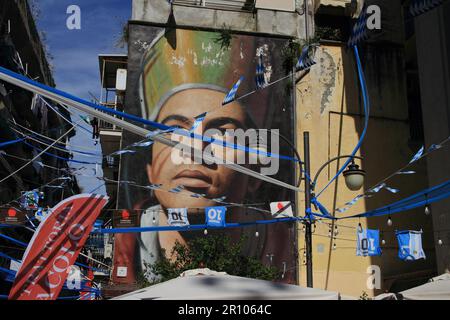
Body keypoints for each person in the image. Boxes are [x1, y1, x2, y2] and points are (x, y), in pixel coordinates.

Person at [114, 28, 295, 284]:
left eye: (221, 133)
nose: (196, 150)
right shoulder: (128, 242)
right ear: (150, 168)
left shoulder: (280, 247)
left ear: (254, 168)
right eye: (174, 131)